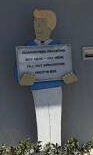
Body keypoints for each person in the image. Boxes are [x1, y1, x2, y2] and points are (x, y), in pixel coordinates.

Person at [16, 9, 77, 145]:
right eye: (35, 23)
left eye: (41, 23)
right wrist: (22, 79)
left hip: (55, 88)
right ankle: (44, 149)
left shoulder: (59, 47)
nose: (37, 27)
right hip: (38, 89)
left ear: (50, 27)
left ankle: (56, 147)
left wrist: (71, 77)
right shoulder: (28, 48)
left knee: (55, 117)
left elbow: (68, 67)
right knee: (42, 118)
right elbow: (19, 70)